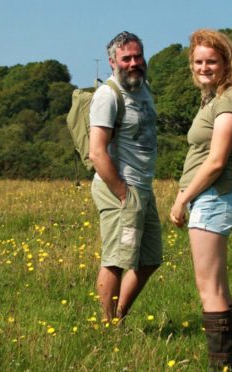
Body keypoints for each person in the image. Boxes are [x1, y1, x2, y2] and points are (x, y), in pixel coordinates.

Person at [170, 29, 232, 369]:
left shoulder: (230, 100)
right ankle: (229, 363)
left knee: (210, 289)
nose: (203, 67)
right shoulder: (213, 99)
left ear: (226, 63)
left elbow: (216, 161)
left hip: (213, 198)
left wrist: (183, 199)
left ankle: (222, 366)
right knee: (217, 287)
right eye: (198, 62)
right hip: (207, 199)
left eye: (211, 61)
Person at [89, 31, 162, 324]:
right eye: (126, 58)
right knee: (116, 260)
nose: (134, 63)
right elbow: (97, 152)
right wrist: (122, 192)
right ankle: (107, 326)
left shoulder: (144, 89)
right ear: (112, 62)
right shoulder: (107, 95)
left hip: (143, 187)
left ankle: (117, 317)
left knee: (150, 258)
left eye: (138, 56)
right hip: (120, 188)